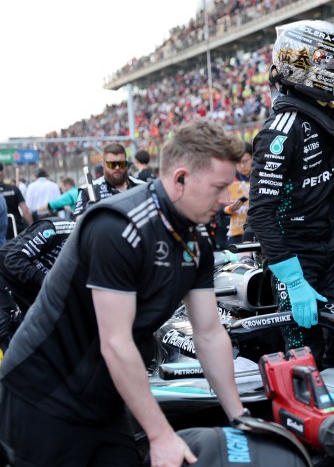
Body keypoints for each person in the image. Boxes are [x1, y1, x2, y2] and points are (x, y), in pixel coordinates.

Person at [0, 121, 249, 466]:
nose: (226, 201)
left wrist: (240, 417)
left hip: (104, 394)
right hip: (42, 394)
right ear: (180, 179)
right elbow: (115, 342)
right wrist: (161, 434)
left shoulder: (197, 242)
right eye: (219, 187)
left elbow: (208, 333)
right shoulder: (118, 226)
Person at [247, 20, 334, 368]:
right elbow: (261, 214)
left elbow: (333, 178)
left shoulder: (323, 120)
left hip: (329, 250)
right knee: (305, 357)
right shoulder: (279, 133)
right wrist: (293, 279)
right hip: (294, 259)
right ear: (304, 64)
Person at [0, 217, 75, 354]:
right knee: (4, 329)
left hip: (28, 291)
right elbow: (13, 259)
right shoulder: (57, 228)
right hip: (5, 275)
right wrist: (49, 281)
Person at [72, 142, 143, 219]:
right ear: (103, 163)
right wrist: (89, 214)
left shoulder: (142, 187)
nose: (117, 168)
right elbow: (78, 221)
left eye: (121, 164)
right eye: (112, 164)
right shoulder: (88, 190)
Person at [222, 142, 253, 246]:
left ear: (253, 157)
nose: (242, 166)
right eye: (238, 162)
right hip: (235, 237)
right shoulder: (228, 180)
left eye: (245, 161)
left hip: (257, 235)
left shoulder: (262, 179)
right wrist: (229, 208)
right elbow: (219, 210)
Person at [0, 163, 32, 240]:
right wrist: (32, 227)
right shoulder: (13, 189)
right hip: (15, 232)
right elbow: (25, 210)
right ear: (1, 173)